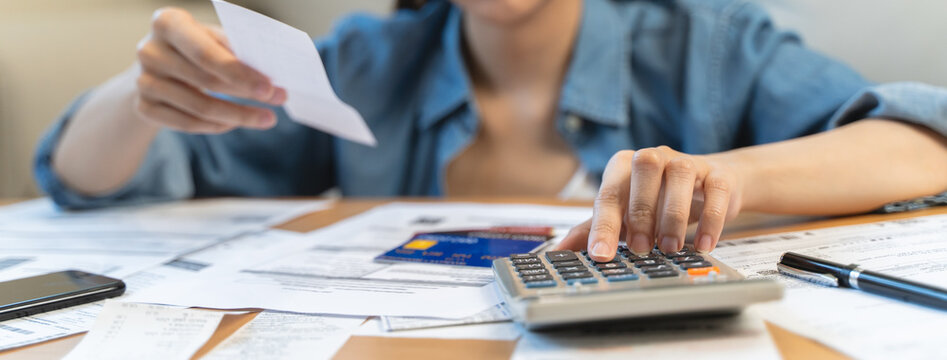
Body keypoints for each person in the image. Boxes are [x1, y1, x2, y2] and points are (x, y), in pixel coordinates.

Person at [35, 0, 947, 262]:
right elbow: (96, 183)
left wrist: (726, 177)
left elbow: (924, 137)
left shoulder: (709, 45)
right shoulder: (361, 60)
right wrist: (139, 93)